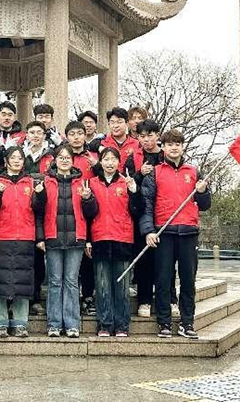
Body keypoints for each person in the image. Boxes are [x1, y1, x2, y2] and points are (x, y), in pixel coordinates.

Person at [140, 129, 212, 340]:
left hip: (189, 232)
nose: (174, 148)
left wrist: (202, 192)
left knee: (188, 280)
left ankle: (187, 322)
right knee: (163, 279)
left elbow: (205, 205)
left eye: (178, 144)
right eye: (170, 144)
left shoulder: (194, 172)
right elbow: (146, 204)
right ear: (163, 147)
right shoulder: (155, 172)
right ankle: (163, 322)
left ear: (182, 147)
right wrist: (149, 230)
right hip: (164, 232)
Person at [83, 148, 143, 337]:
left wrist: (134, 191)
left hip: (122, 238)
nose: (109, 163)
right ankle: (105, 324)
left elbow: (138, 210)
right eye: (106, 159)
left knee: (122, 285)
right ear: (100, 162)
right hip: (100, 237)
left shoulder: (127, 182)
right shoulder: (92, 183)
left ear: (119, 162)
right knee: (102, 285)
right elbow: (87, 215)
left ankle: (122, 325)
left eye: (113, 159)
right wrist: (88, 240)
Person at [0, 147, 45, 338]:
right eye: (13, 157)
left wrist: (41, 195)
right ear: (6, 161)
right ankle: (0, 322)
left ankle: (20, 322)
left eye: (20, 158)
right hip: (0, 235)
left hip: (25, 236)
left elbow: (38, 209)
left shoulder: (31, 182)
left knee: (22, 280)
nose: (17, 160)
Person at [38, 144, 89, 338]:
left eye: (68, 157)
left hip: (76, 238)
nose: (65, 160)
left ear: (73, 160)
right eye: (61, 157)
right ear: (55, 160)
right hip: (53, 237)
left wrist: (88, 198)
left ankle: (72, 324)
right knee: (54, 281)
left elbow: (91, 212)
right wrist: (40, 237)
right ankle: (54, 324)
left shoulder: (81, 182)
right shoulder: (46, 181)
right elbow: (38, 210)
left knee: (71, 281)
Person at [130, 119, 166, 318]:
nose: (146, 140)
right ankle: (144, 300)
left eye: (150, 135)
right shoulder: (134, 157)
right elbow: (125, 182)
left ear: (157, 135)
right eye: (142, 136)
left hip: (164, 214)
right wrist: (139, 174)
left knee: (165, 261)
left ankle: (168, 299)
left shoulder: (166, 155)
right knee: (143, 259)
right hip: (141, 214)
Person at [64, 120, 98, 316]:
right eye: (72, 134)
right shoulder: (62, 156)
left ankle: (88, 296)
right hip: (66, 211)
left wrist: (97, 166)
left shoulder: (93, 157)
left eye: (79, 133)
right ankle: (70, 297)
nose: (76, 137)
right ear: (66, 136)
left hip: (89, 209)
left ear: (85, 136)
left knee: (87, 255)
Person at [23, 120, 53, 315]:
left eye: (39, 132)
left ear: (44, 135)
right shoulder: (19, 154)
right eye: (32, 132)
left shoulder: (51, 156)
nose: (35, 135)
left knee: (38, 257)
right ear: (26, 135)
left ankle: (35, 298)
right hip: (21, 207)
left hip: (44, 208)